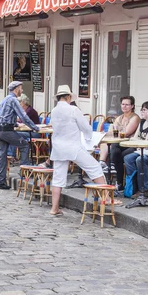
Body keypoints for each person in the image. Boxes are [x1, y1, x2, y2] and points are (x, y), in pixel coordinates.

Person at [50, 85, 121, 216]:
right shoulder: (73, 109)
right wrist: (89, 138)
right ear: (68, 97)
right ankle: (106, 198)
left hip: (58, 147)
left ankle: (54, 208)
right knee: (95, 168)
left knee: (58, 178)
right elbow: (85, 127)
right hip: (73, 146)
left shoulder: (54, 111)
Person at [0, 81, 39, 190]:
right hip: (6, 131)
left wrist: (14, 123)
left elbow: (3, 115)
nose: (22, 90)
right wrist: (35, 127)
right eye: (21, 88)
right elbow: (23, 116)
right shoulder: (13, 100)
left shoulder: (4, 99)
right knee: (24, 145)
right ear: (16, 88)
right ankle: (24, 171)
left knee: (1, 156)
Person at [96, 96, 140, 188]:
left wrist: (111, 133)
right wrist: (109, 133)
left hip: (129, 144)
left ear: (132, 106)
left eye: (127, 104)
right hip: (119, 144)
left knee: (116, 151)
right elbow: (113, 131)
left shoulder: (135, 118)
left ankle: (111, 166)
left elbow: (127, 132)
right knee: (113, 149)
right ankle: (104, 163)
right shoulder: (119, 118)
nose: (124, 106)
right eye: (123, 104)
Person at [8, 93, 40, 159]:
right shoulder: (24, 110)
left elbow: (23, 121)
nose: (18, 104)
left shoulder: (30, 111)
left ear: (24, 102)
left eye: (19, 102)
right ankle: (10, 154)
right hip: (28, 131)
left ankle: (11, 155)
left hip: (34, 133)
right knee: (11, 134)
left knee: (13, 134)